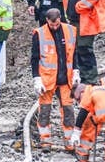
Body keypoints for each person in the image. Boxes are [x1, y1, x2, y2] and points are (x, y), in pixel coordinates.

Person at [31, 8, 80, 151]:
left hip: (66, 79)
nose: (54, 27)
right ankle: (45, 140)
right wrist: (37, 78)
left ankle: (69, 140)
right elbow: (34, 58)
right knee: (44, 110)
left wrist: (76, 71)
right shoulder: (39, 33)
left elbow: (74, 54)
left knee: (68, 110)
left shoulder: (70, 31)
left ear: (60, 19)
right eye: (51, 25)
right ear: (47, 20)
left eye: (57, 24)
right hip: (47, 80)